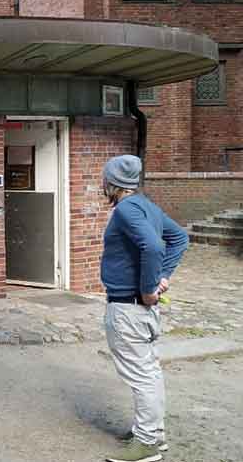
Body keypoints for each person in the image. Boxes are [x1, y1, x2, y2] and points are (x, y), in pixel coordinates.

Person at [100, 155, 187, 462]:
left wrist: (150, 288)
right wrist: (163, 276)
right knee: (149, 372)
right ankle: (152, 433)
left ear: (112, 183)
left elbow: (154, 246)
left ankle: (147, 443)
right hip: (138, 310)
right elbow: (179, 238)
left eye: (104, 179)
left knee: (142, 376)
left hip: (129, 308)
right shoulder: (147, 206)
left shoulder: (126, 209)